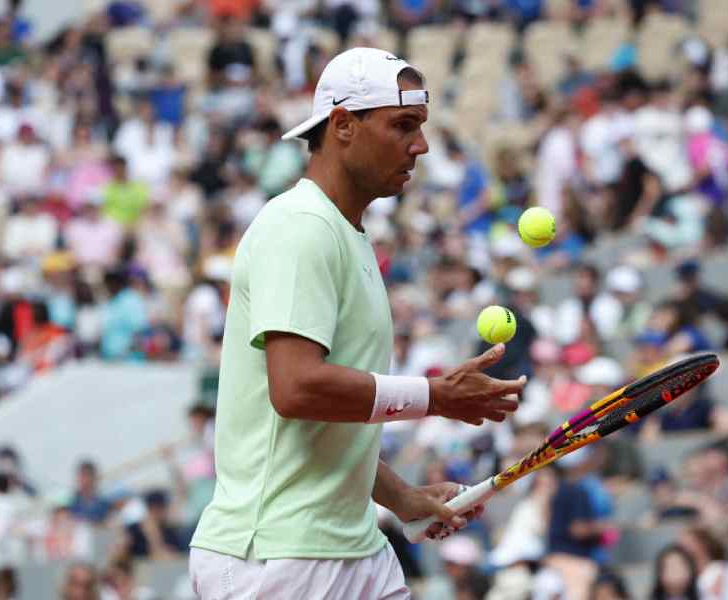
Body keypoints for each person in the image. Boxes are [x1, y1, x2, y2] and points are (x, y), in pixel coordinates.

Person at [188, 47, 525, 599]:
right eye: (403, 126)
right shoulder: (300, 227)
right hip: (275, 557)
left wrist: (402, 497)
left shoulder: (346, 234)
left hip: (354, 549)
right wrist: (435, 396)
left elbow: (329, 418)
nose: (421, 144)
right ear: (343, 125)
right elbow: (296, 389)